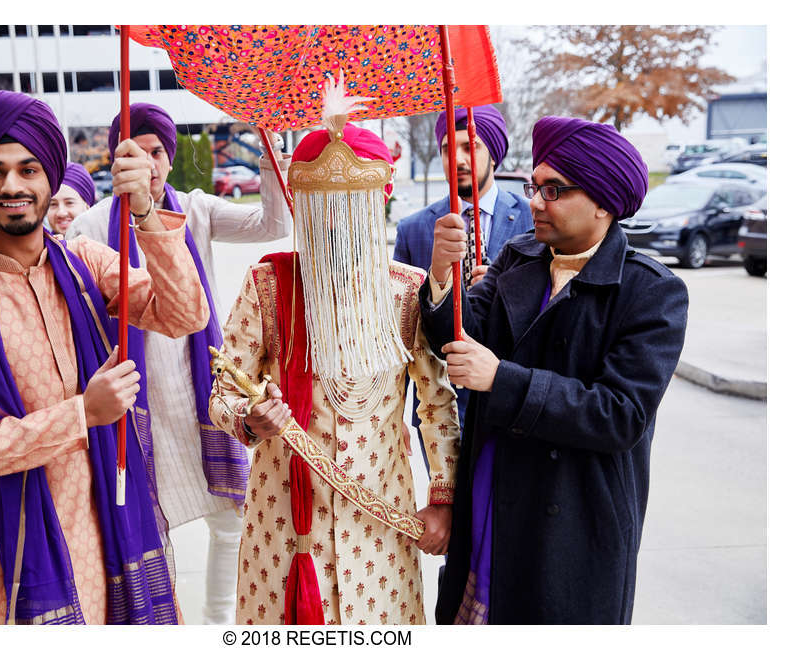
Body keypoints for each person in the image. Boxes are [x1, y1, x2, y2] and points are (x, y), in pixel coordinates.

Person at [0, 90, 210, 625]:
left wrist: (146, 213)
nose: (13, 187)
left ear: (51, 176)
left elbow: (185, 314)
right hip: (12, 553)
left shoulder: (86, 263)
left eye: (28, 169)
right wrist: (80, 415)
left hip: (112, 520)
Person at [208, 80, 460, 625]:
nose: (339, 226)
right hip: (284, 526)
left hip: (381, 524)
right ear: (303, 207)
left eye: (354, 208)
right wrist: (250, 416)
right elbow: (223, 389)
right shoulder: (269, 286)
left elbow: (437, 404)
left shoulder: (409, 290)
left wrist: (442, 497)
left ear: (379, 202)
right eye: (326, 211)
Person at [420, 116, 689, 624]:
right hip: (494, 482)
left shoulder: (651, 291)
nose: (535, 201)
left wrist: (502, 379)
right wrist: (440, 272)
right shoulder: (519, 256)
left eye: (554, 189)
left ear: (604, 202)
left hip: (574, 509)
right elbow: (458, 336)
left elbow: (620, 414)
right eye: (534, 186)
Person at [67, 103, 292, 624]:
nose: (146, 164)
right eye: (134, 152)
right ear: (114, 160)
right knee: (147, 522)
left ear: (168, 160)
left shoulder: (195, 208)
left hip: (203, 382)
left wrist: (269, 157)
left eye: (156, 152)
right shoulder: (90, 223)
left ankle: (216, 625)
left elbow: (274, 223)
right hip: (132, 396)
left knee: (229, 523)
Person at [394, 106, 532, 467]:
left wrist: (504, 290)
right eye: (447, 149)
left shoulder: (534, 221)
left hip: (512, 400)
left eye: (471, 146)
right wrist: (393, 412)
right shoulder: (415, 229)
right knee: (451, 517)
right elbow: (403, 328)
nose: (459, 158)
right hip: (440, 408)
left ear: (494, 152)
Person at [48, 162, 96, 235]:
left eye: (69, 203)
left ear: (87, 206)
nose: (61, 213)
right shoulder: (36, 246)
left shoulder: (108, 243)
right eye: (53, 204)